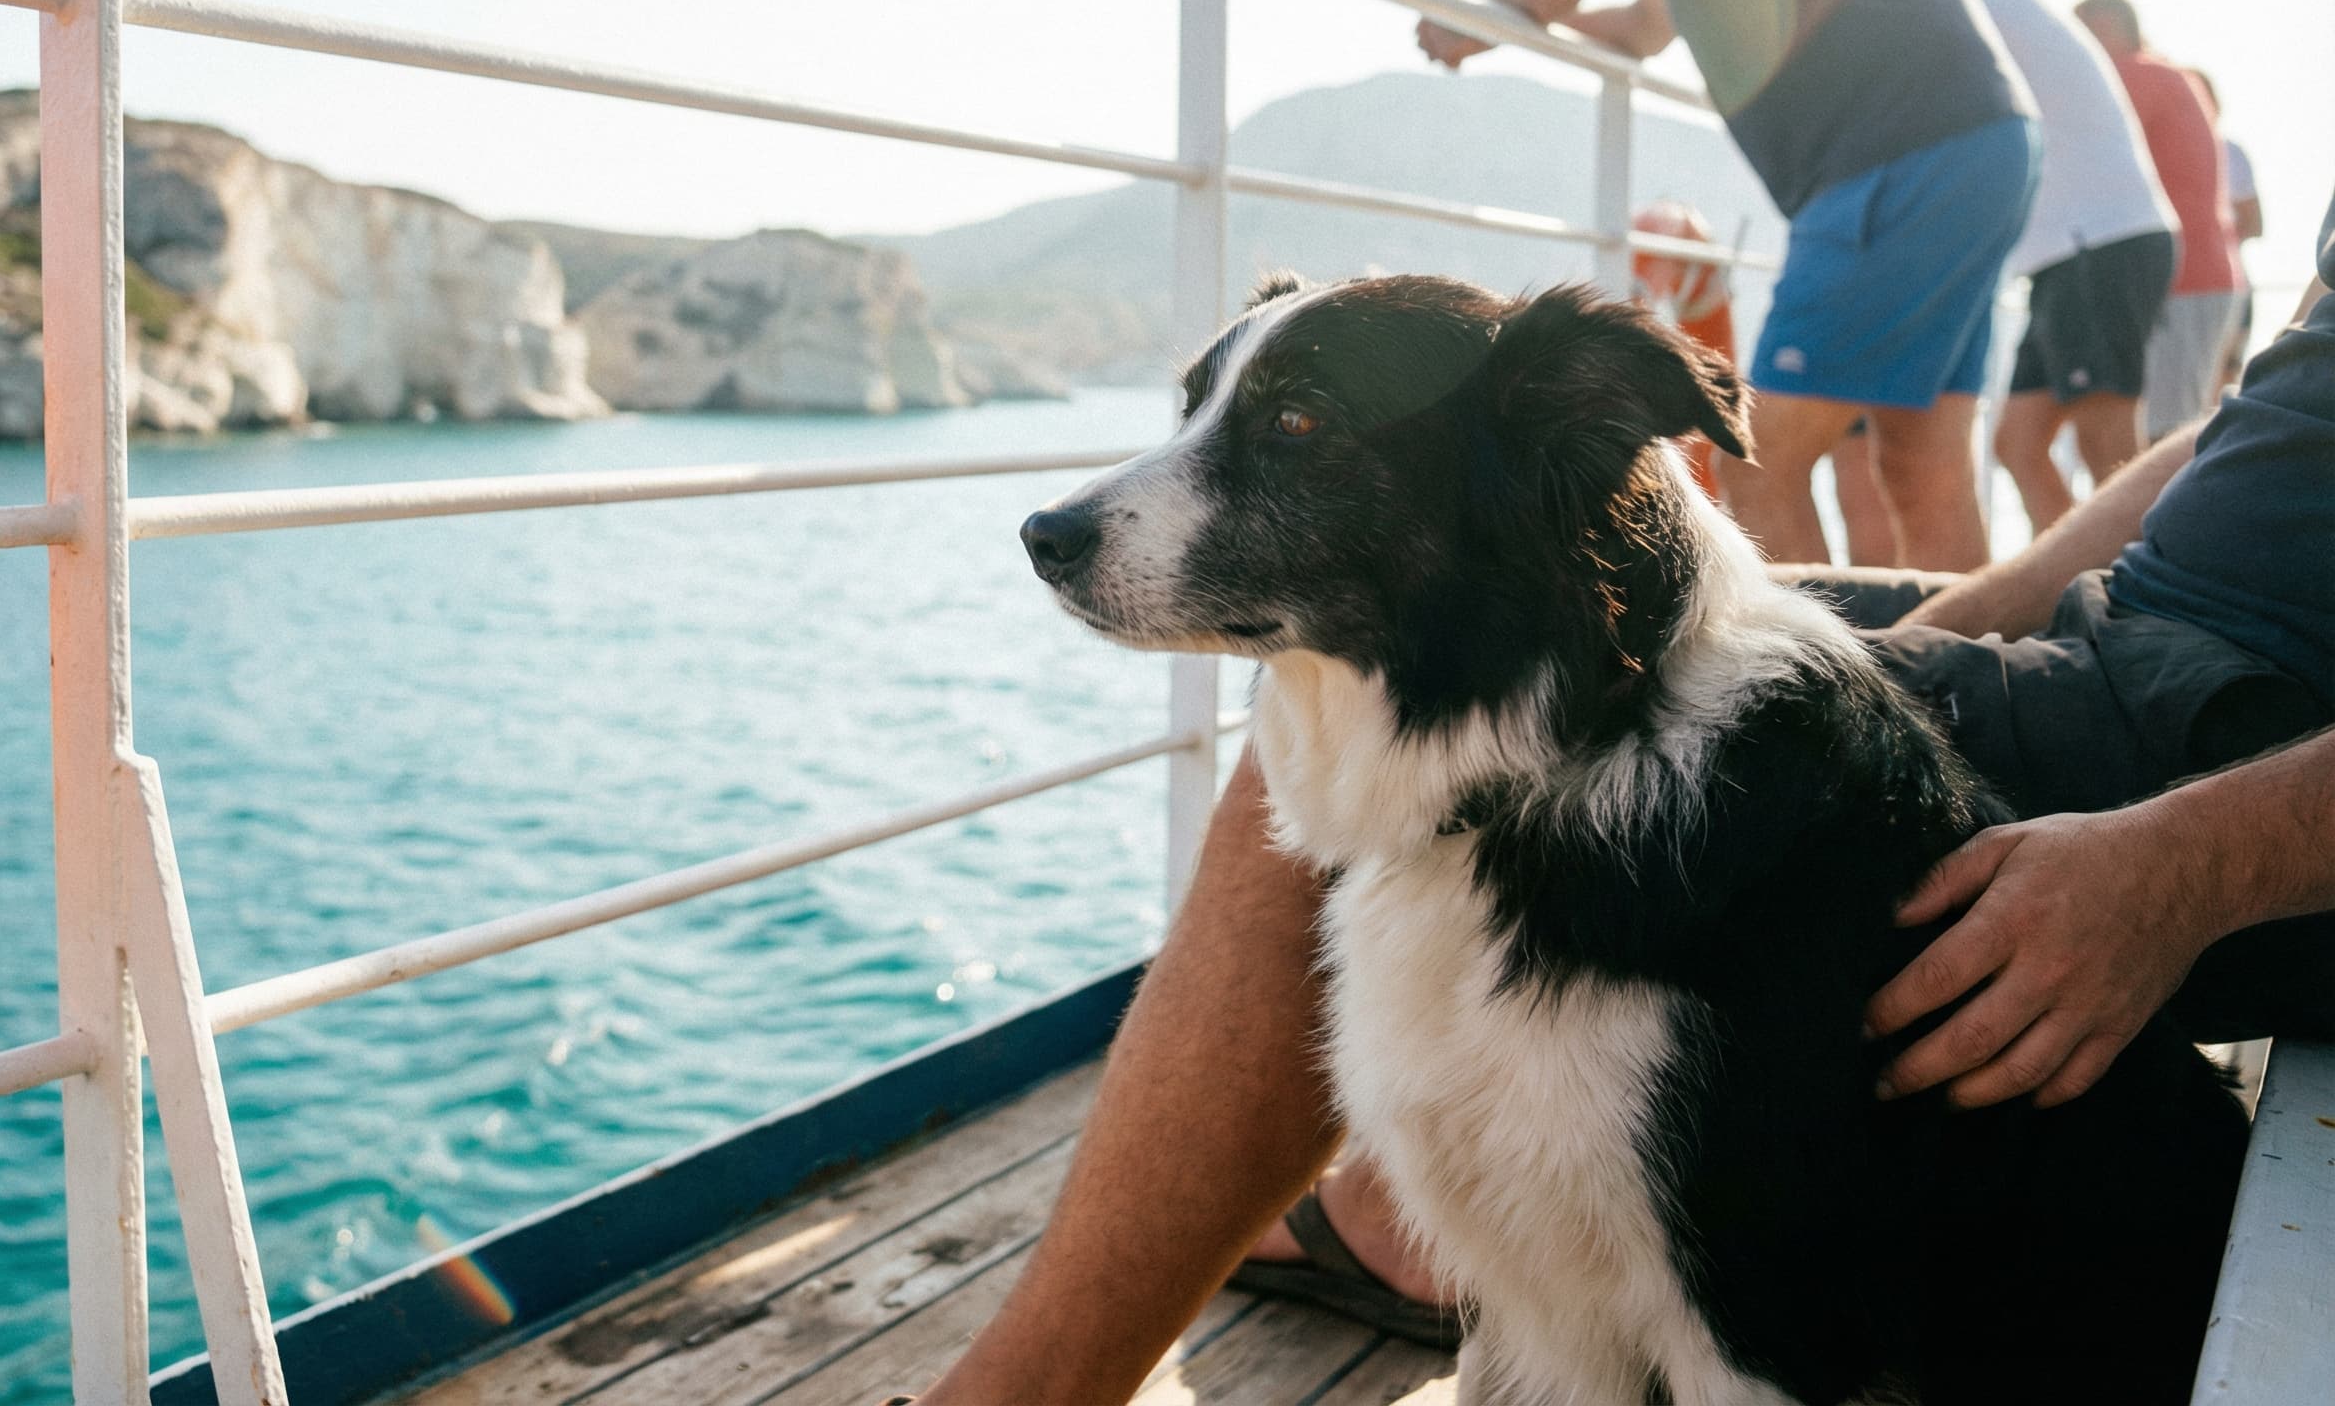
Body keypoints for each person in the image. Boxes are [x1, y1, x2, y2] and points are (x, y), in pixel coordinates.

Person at [910, 191, 2335, 1405]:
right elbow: (2262, 411)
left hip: (2257, 749)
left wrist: (2192, 858)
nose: (1100, 505)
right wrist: (1957, 630)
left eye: (1284, 426)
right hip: (2125, 637)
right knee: (1330, 694)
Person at [1412, 0, 2035, 574]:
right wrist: (1520, 14)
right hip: (1978, 141)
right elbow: (1643, 30)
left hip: (1897, 153)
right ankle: (1972, 671)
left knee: (1757, 460)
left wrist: (1469, 17)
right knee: (1924, 463)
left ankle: (1819, 687)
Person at [1934, 0, 2177, 533]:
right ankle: (2073, 585)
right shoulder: (2017, 13)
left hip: (2097, 244)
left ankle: (2149, 594)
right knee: (2017, 445)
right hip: (2070, 255)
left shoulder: (1993, 8)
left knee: (2109, 446)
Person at [2074, 0, 2242, 440]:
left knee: (2166, 434)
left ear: (2105, 30)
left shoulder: (2134, 77)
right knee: (2174, 426)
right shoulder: (2168, 75)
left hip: (2183, 281)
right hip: (2204, 277)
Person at [2196, 70, 2265, 395]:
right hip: (2197, 287)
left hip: (2225, 284)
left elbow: (2255, 224)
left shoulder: (2230, 152)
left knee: (2224, 380)